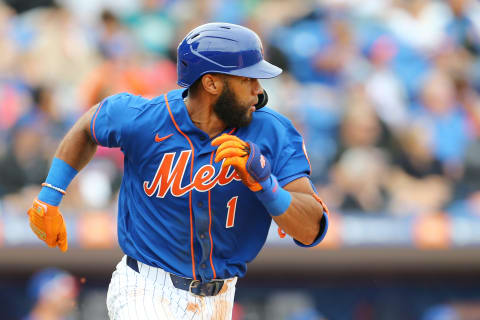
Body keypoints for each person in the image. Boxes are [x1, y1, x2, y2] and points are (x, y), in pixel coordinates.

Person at [27, 22, 329, 320]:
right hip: (145, 286)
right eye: (248, 79)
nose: (259, 90)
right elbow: (88, 127)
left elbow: (311, 229)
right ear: (211, 83)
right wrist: (50, 195)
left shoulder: (273, 132)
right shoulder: (146, 119)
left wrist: (266, 185)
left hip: (221, 298)